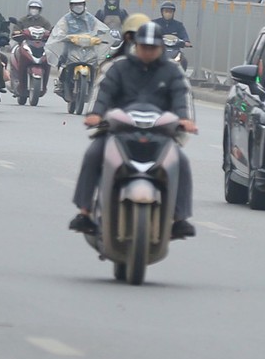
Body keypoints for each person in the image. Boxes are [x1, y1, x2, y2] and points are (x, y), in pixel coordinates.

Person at [69, 20, 196, 239]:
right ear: (135, 45)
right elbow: (104, 92)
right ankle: (84, 212)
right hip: (119, 131)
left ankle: (179, 218)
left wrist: (185, 120)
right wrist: (95, 114)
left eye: (152, 47)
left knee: (181, 162)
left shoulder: (172, 71)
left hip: (160, 133)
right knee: (93, 154)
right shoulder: (119, 67)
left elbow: (180, 96)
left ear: (161, 48)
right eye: (143, 46)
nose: (147, 52)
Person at [46, 0, 108, 101]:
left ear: (84, 5)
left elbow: (100, 29)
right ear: (70, 6)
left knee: (98, 63)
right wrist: (64, 36)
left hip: (88, 48)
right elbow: (60, 30)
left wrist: (101, 37)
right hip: (71, 47)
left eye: (80, 4)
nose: (78, 6)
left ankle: (96, 84)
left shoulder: (91, 19)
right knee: (62, 59)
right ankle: (60, 82)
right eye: (75, 4)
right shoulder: (66, 19)